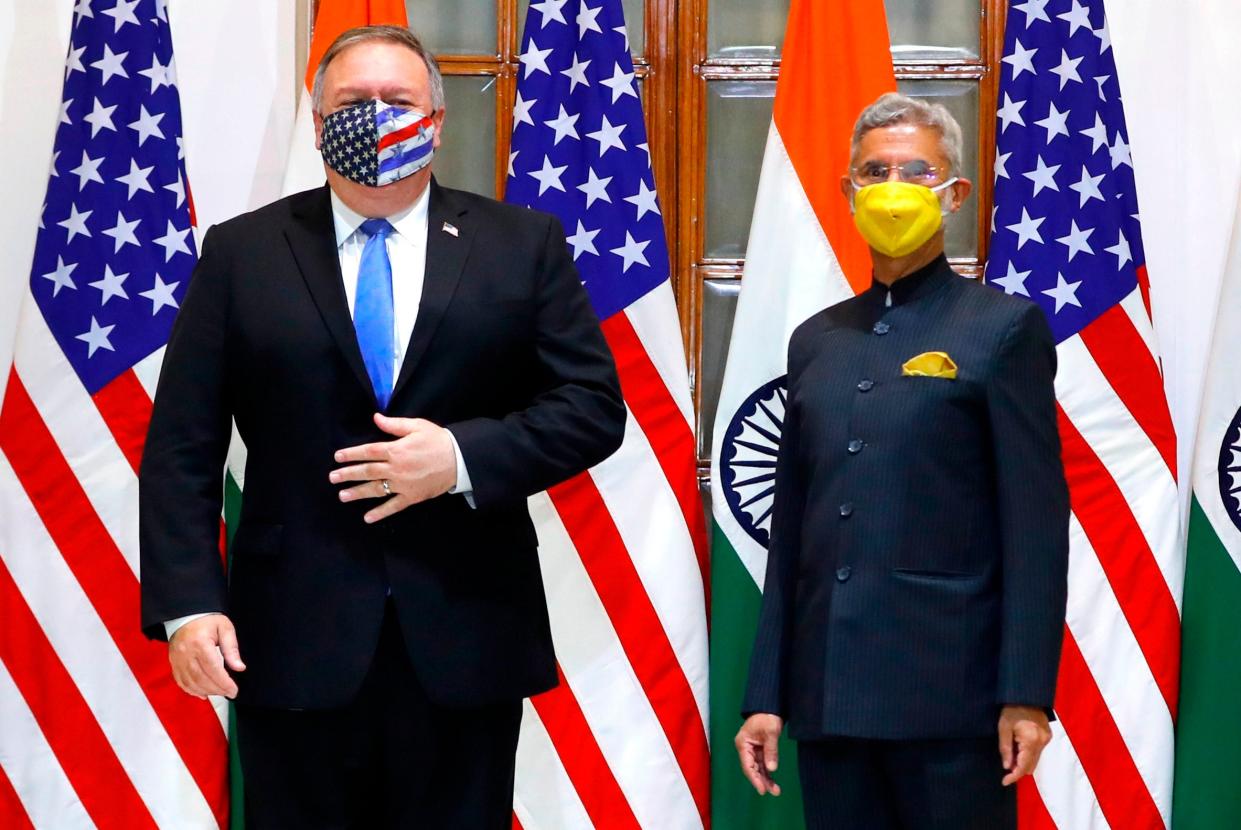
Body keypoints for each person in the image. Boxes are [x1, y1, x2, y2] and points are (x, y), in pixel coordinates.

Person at [139, 25, 626, 829]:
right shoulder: (243, 253)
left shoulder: (520, 245)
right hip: (288, 641)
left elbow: (590, 408)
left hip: (465, 632)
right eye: (351, 103)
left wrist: (462, 455)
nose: (373, 117)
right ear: (318, 116)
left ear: (434, 119)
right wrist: (189, 606)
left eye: (395, 101)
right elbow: (183, 445)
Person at [734, 92, 1070, 830]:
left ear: (952, 193)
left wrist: (1026, 693)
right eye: (874, 171)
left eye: (914, 172)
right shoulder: (817, 341)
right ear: (848, 189)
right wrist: (766, 693)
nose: (892, 188)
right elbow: (791, 533)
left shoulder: (1002, 330)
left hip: (950, 700)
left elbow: (1036, 528)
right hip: (828, 699)